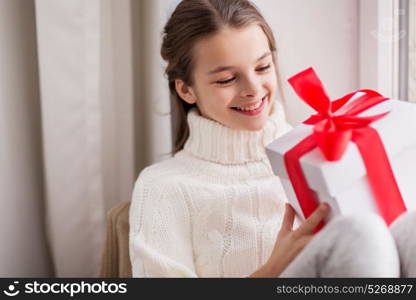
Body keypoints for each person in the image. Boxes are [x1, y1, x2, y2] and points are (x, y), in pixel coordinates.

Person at [128, 0, 416, 278]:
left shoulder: (315, 156)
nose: (253, 89)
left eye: (263, 67)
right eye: (227, 79)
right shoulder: (162, 187)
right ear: (186, 90)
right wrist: (271, 271)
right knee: (360, 233)